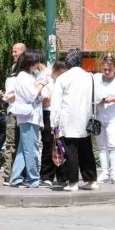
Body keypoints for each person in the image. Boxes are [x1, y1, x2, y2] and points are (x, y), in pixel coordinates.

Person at [51, 49, 97, 192]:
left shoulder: (63, 78)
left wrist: (54, 123)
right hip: (86, 119)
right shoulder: (90, 77)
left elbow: (56, 103)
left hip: (68, 119)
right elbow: (95, 98)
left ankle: (73, 182)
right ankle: (91, 180)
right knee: (86, 151)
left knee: (71, 151)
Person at [7, 51, 47, 188]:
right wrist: (42, 84)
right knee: (31, 149)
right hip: (29, 117)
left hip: (29, 117)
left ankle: (16, 177)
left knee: (23, 149)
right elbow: (31, 95)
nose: (38, 64)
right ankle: (33, 178)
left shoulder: (26, 76)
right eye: (36, 62)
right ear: (31, 63)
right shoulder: (24, 77)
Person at [94, 55, 115, 185]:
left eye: (110, 69)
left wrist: (112, 99)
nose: (107, 72)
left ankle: (114, 173)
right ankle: (104, 172)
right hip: (98, 117)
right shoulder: (96, 78)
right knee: (101, 147)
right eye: (105, 69)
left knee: (113, 145)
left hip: (113, 118)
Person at [1, 42, 27, 183]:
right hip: (12, 110)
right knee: (11, 143)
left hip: (22, 111)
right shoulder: (13, 69)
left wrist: (10, 96)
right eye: (13, 51)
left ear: (23, 52)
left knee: (22, 143)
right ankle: (9, 174)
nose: (13, 54)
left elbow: (25, 92)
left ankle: (20, 174)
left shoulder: (27, 71)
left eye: (15, 51)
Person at [41, 59, 67, 187]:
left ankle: (62, 176)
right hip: (48, 113)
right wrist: (57, 92)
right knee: (48, 144)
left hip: (62, 114)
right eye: (61, 73)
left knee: (62, 145)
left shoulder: (66, 82)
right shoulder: (47, 81)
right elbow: (45, 101)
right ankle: (47, 175)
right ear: (55, 71)